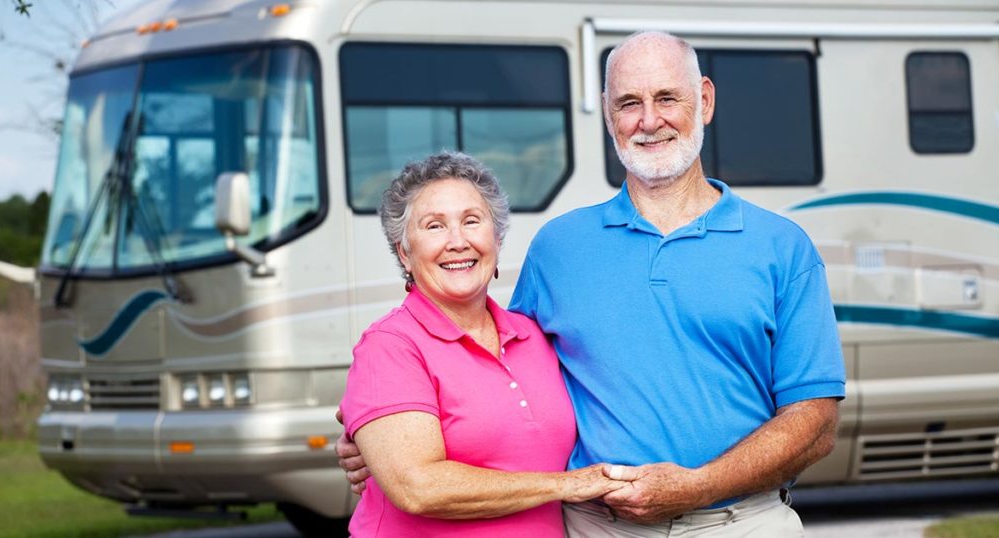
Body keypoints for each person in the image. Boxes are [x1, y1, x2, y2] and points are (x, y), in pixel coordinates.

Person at [339, 31, 846, 536]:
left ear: (705, 100)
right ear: (608, 114)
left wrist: (698, 485)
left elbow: (816, 423)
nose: (649, 120)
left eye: (667, 97)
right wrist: (378, 440)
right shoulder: (559, 248)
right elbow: (490, 372)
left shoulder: (782, 247)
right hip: (595, 527)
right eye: (629, 103)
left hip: (742, 522)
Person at [338, 152, 629, 537]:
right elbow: (418, 488)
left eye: (472, 221)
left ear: (496, 238)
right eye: (435, 226)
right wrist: (566, 485)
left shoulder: (534, 335)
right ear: (404, 252)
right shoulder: (390, 346)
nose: (457, 241)